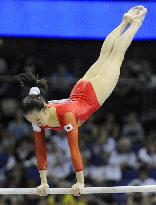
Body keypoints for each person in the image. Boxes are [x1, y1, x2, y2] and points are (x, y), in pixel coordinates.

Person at [16, 6, 147, 197]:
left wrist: (80, 181)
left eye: (37, 119)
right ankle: (123, 22)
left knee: (115, 57)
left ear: (45, 107)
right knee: (104, 56)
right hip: (79, 90)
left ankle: (134, 23)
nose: (37, 124)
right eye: (32, 122)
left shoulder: (66, 116)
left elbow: (74, 147)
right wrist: (43, 182)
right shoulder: (38, 117)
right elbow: (40, 149)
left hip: (91, 95)